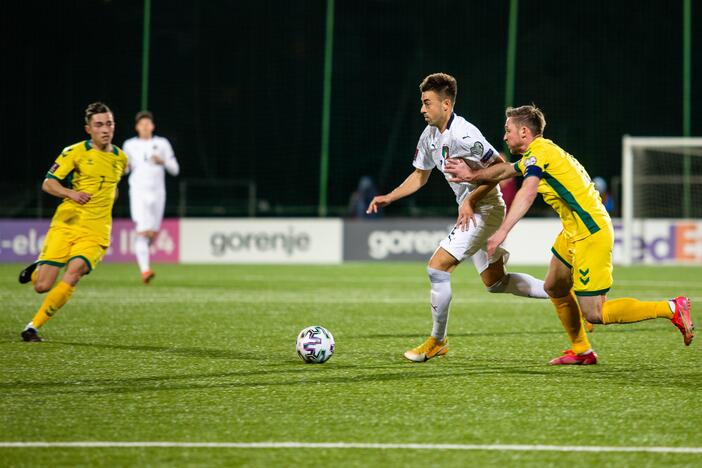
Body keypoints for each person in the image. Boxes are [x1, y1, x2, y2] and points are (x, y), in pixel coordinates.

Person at [445, 104, 694, 364]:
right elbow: (507, 170)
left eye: (508, 130)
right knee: (554, 287)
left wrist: (502, 231)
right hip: (573, 231)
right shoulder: (540, 152)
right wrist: (474, 174)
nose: (504, 136)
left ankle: (671, 307)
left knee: (595, 313)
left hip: (590, 233)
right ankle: (582, 351)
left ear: (523, 131)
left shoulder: (540, 153)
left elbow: (528, 192)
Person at [366, 73, 549, 363]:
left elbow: (501, 169)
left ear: (446, 104)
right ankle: (564, 293)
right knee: (496, 283)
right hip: (473, 209)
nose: (422, 109)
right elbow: (419, 176)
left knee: (437, 267)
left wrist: (470, 200)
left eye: (427, 103)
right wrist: (390, 196)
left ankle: (437, 341)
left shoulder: (466, 135)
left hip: (486, 209)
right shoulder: (428, 136)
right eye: (422, 103)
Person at [17, 102, 128, 342]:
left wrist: (107, 202)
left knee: (75, 271)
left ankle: (32, 327)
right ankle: (37, 269)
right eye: (99, 125)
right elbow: (48, 183)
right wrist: (70, 193)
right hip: (68, 223)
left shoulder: (121, 158)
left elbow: (113, 187)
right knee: (42, 286)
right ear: (89, 129)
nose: (105, 129)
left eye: (109, 123)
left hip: (96, 232)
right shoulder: (74, 152)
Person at [123, 111, 179, 283]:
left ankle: (144, 259)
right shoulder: (129, 145)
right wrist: (121, 166)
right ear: (137, 127)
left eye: (148, 124)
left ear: (153, 126)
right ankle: (145, 270)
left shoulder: (162, 143)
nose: (145, 126)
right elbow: (125, 170)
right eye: (142, 124)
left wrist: (162, 161)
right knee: (142, 231)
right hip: (139, 192)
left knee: (151, 233)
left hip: (158, 193)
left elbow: (175, 170)